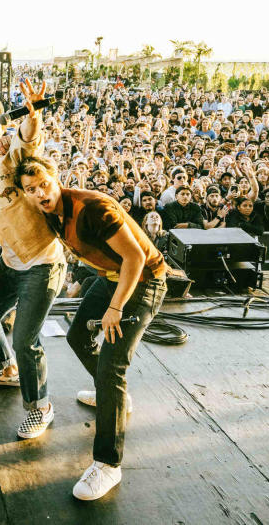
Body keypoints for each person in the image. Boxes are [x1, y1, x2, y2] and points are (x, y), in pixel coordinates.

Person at [15, 155, 168, 501]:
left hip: (144, 281)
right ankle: (112, 398)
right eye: (31, 190)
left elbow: (135, 258)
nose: (40, 193)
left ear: (57, 178)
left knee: (113, 364)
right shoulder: (50, 212)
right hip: (110, 278)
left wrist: (115, 308)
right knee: (78, 335)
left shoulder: (93, 209)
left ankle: (108, 465)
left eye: (44, 184)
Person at [0, 82, 67, 439]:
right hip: (11, 261)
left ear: (2, 125)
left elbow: (29, 139)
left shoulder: (14, 154)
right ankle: (6, 370)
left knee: (26, 339)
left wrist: (33, 115)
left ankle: (41, 407)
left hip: (42, 261)